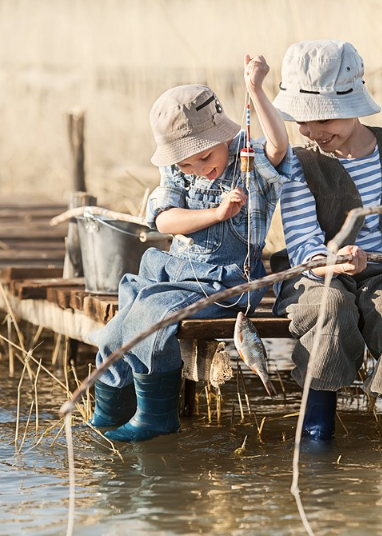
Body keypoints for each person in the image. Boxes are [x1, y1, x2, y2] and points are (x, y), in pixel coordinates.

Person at [87, 56, 290, 442]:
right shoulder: (178, 171)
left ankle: (157, 416)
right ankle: (109, 412)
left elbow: (280, 144)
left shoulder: (249, 161)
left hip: (228, 282)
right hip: (175, 270)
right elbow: (163, 221)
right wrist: (215, 213)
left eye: (207, 157)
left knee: (151, 313)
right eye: (189, 163)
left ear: (225, 137)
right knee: (116, 329)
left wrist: (256, 89)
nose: (201, 168)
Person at [270, 40, 382, 448]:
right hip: (315, 271)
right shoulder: (299, 163)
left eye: (322, 118)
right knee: (330, 309)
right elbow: (304, 241)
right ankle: (316, 439)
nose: (311, 131)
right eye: (302, 122)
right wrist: (333, 263)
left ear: (354, 106)